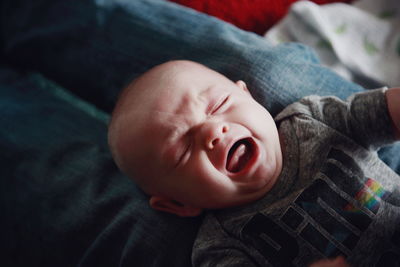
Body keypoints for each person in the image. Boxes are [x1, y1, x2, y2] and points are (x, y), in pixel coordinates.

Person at [108, 60, 400, 266]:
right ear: (178, 204)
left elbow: (381, 112)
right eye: (183, 149)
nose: (212, 132)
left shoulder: (311, 121)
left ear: (247, 95)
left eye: (218, 105)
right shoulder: (221, 246)